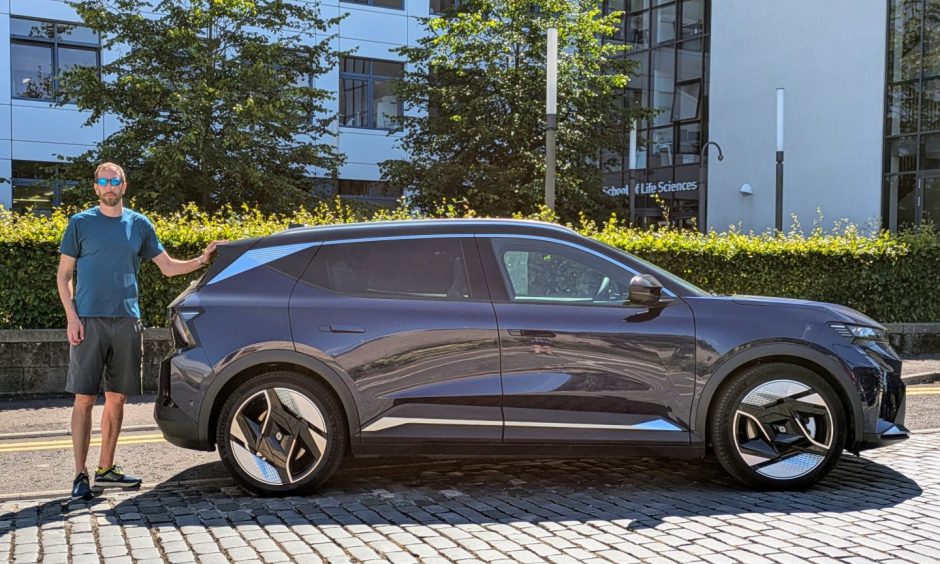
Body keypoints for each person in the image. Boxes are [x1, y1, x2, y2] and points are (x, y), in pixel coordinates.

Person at [56, 162, 224, 500]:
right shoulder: (80, 223)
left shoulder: (139, 224)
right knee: (84, 399)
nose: (108, 186)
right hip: (88, 321)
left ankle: (105, 469)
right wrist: (72, 317)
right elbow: (64, 276)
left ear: (124, 185)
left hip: (127, 321)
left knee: (117, 397)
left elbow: (167, 267)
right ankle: (80, 475)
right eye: (102, 181)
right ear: (95, 188)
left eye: (114, 180)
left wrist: (202, 260)